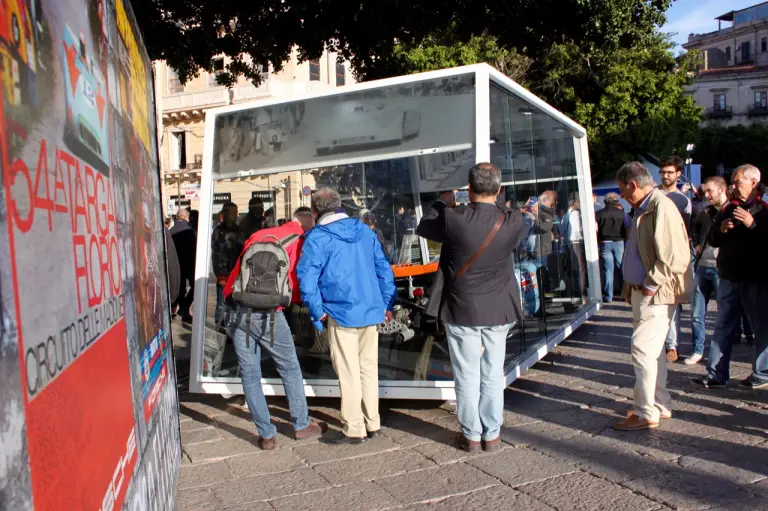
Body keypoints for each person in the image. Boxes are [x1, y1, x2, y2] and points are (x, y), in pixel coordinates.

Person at [416, 163, 528, 452]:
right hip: (499, 307)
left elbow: (424, 226)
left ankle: (472, 436)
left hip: (461, 307)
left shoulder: (453, 218)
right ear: (500, 190)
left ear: (468, 188)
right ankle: (492, 434)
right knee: (492, 374)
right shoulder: (513, 221)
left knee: (466, 374)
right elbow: (502, 212)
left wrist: (442, 201)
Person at [297, 189, 396, 445]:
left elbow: (307, 280)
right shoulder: (364, 230)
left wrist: (318, 311)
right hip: (370, 308)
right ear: (340, 205)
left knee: (348, 372)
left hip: (340, 312)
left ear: (316, 210)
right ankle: (372, 421)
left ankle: (354, 428)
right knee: (368, 369)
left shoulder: (317, 237)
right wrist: (385, 303)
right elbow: (384, 269)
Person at [223, 207, 324, 449]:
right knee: (289, 368)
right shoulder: (299, 243)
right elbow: (295, 286)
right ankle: (301, 425)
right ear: (309, 221)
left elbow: (240, 270)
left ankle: (266, 434)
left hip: (237, 308)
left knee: (250, 374)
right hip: (269, 315)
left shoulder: (260, 234)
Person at [614, 162, 692, 431]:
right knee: (654, 350)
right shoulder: (646, 207)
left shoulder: (661, 207)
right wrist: (631, 285)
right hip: (646, 291)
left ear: (633, 185)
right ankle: (658, 403)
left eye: (624, 191)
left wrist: (649, 284)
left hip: (655, 293)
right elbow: (637, 250)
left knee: (643, 349)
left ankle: (646, 411)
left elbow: (675, 258)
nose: (623, 195)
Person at [694, 164, 768, 390]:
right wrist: (722, 230)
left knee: (760, 327)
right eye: (733, 182)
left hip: (756, 279)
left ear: (753, 183)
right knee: (723, 327)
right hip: (728, 277)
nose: (733, 186)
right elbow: (712, 239)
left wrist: (752, 224)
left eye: (738, 182)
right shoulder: (728, 208)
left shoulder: (764, 210)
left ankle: (762, 373)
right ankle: (716, 374)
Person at [683, 176, 728, 365]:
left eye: (710, 191)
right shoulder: (704, 212)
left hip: (722, 269)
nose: (706, 194)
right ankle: (698, 350)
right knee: (696, 313)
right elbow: (695, 230)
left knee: (723, 315)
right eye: (705, 191)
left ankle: (719, 354)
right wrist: (698, 245)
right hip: (702, 266)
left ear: (722, 189)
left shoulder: (731, 211)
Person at [657, 156, 693, 363]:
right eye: (663, 172)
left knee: (673, 302)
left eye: (670, 172)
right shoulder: (653, 195)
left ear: (678, 174)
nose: (666, 175)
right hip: (653, 255)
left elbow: (685, 231)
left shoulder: (683, 200)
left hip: (674, 256)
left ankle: (672, 345)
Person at [211, 202, 242, 323]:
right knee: (222, 301)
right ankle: (221, 325)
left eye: (236, 212)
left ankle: (230, 324)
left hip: (236, 270)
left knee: (234, 301)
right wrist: (221, 275)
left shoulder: (238, 229)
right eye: (234, 212)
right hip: (225, 272)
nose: (236, 214)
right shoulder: (220, 231)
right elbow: (217, 255)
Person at [596, 192, 627, 302]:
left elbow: (596, 230)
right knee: (621, 268)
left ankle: (609, 296)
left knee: (608, 270)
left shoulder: (598, 214)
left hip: (605, 242)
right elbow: (626, 228)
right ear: (616, 202)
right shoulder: (622, 214)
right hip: (619, 242)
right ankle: (624, 293)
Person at [170, 207, 197, 323]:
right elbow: (194, 249)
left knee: (179, 289)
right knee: (196, 286)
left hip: (176, 264)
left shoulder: (170, 231)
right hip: (189, 264)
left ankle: (182, 310)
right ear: (186, 217)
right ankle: (185, 308)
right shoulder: (189, 231)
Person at [564, 192, 588, 304]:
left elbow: (563, 228)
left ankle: (577, 292)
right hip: (578, 241)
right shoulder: (577, 214)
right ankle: (582, 293)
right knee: (581, 269)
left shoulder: (566, 214)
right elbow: (579, 229)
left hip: (570, 242)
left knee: (575, 269)